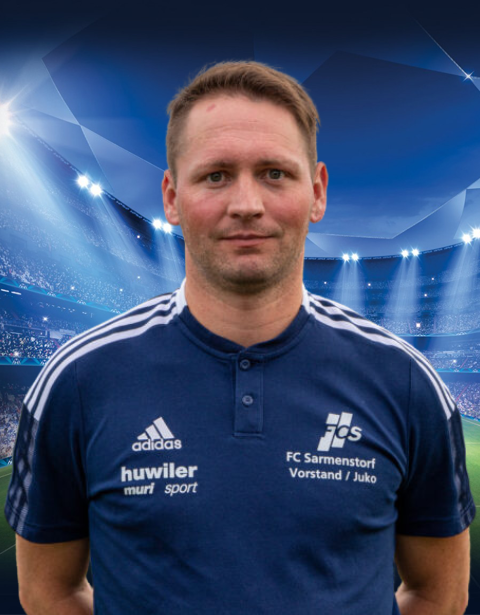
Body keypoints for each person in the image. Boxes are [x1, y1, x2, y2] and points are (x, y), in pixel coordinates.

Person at [5, 61, 475, 615]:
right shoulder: (78, 380)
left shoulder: (406, 382)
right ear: (172, 197)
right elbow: (49, 591)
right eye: (216, 175)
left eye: (274, 173)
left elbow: (439, 592)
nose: (247, 204)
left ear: (317, 192)